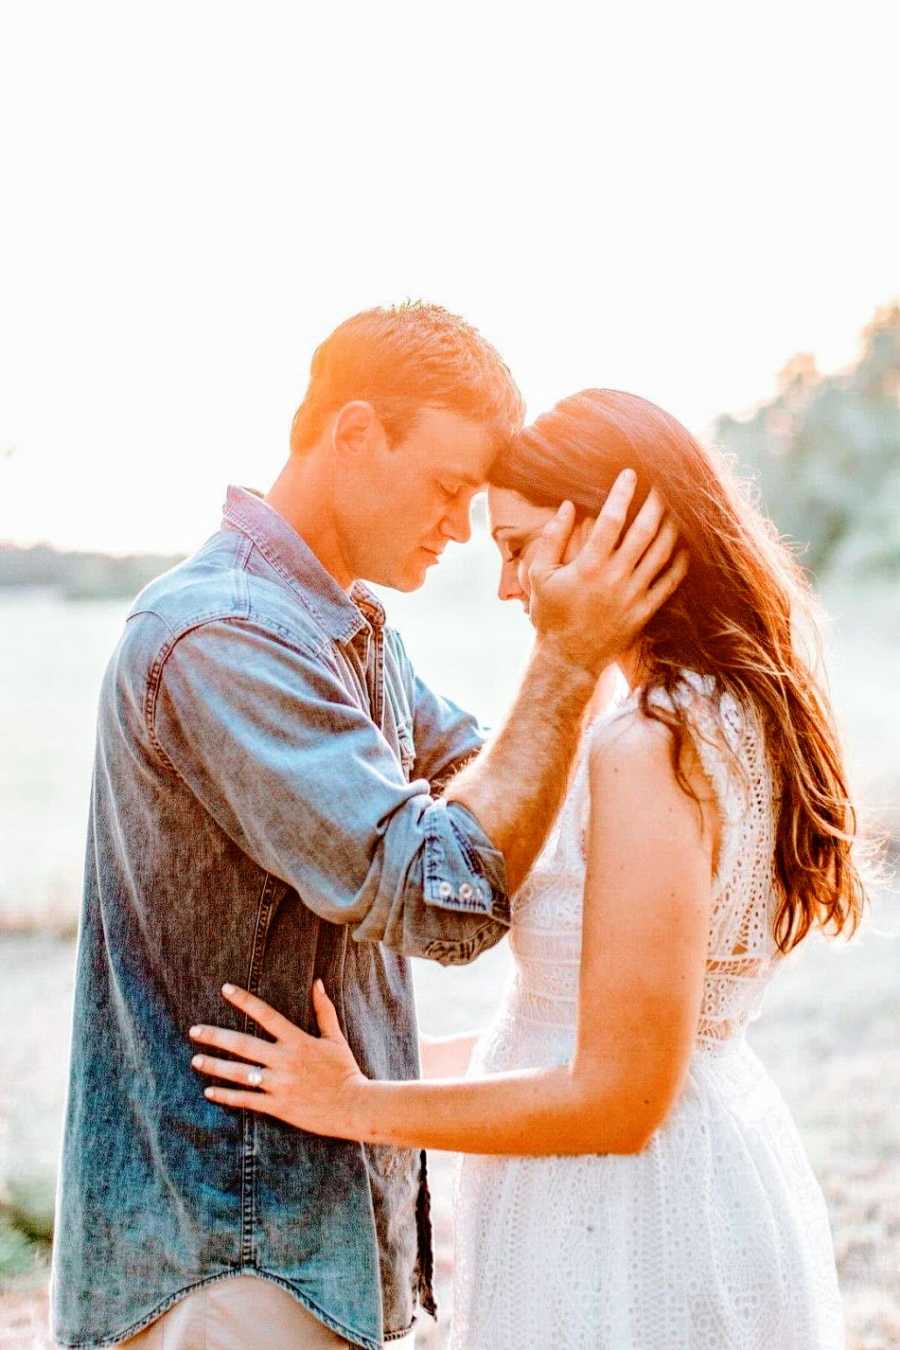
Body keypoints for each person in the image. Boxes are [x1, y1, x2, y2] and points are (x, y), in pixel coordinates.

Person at [50, 313, 685, 1350]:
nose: (462, 526)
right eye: (447, 488)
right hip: (227, 1251)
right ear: (353, 435)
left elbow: (500, 783)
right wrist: (568, 661)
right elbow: (442, 899)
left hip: (309, 1238)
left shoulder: (342, 629)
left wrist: (678, 735)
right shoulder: (225, 636)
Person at [189, 389, 865, 1349]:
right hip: (674, 1181)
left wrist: (357, 1108)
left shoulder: (650, 743)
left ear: (617, 534)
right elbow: (559, 1032)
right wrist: (379, 1075)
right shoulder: (710, 711)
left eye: (519, 547)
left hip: (632, 1224)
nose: (508, 586)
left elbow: (619, 1098)